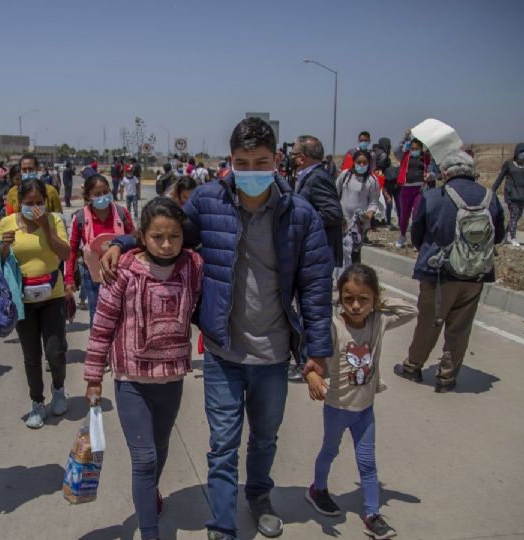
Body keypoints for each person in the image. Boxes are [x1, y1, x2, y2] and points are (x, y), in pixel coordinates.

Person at [101, 117, 334, 540]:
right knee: (223, 445)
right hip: (223, 353)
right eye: (242, 162)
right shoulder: (208, 201)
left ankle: (259, 496)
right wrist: (123, 243)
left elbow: (316, 287)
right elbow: (168, 234)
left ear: (277, 160)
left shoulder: (300, 215)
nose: (251, 171)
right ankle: (223, 523)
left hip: (274, 353)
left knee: (264, 437)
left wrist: (316, 353)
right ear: (231, 161)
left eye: (261, 161)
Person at [84, 197, 204, 540]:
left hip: (171, 379)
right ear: (142, 237)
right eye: (157, 237)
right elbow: (102, 325)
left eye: (174, 236)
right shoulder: (122, 270)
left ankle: (149, 493)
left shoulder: (193, 266)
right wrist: (93, 378)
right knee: (145, 458)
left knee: (161, 445)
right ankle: (150, 531)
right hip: (132, 381)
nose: (166, 245)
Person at [304, 264, 415, 540]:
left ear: (374, 300)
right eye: (348, 299)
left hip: (365, 410)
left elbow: (410, 311)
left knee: (368, 464)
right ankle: (317, 489)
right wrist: (311, 377)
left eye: (363, 299)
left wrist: (380, 301)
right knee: (329, 451)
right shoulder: (333, 327)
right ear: (340, 299)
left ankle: (372, 514)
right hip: (337, 408)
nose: (355, 305)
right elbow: (314, 357)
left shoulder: (378, 321)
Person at [394, 150, 505, 392]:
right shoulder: (490, 197)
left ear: (445, 172)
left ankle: (413, 366)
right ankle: (447, 377)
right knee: (460, 327)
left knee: (429, 323)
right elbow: (499, 235)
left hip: (439, 274)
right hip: (475, 275)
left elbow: (417, 235)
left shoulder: (433, 197)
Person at [0, 178, 71, 429]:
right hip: (23, 299)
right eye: (29, 203)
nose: (35, 207)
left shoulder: (55, 220)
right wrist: (4, 246)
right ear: (19, 203)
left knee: (55, 351)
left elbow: (65, 253)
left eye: (39, 202)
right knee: (31, 355)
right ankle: (37, 404)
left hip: (53, 295)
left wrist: (45, 227)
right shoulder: (6, 223)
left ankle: (59, 390)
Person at [65, 174, 135, 325]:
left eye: (105, 192)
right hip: (93, 277)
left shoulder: (122, 213)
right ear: (88, 196)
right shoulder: (80, 217)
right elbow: (71, 249)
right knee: (98, 319)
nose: (102, 197)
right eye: (97, 194)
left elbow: (134, 240)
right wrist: (69, 278)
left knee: (123, 319)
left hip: (120, 274)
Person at [292, 135, 345, 268]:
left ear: (302, 158)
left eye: (293, 155)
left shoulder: (317, 177)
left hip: (320, 253)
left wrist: (304, 222)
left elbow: (333, 213)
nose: (291, 158)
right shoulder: (310, 176)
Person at [335, 151, 381, 275]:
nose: (361, 165)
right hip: (342, 221)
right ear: (354, 163)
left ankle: (354, 278)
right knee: (341, 251)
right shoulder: (345, 176)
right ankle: (340, 279)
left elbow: (373, 202)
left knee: (354, 252)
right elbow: (335, 194)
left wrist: (368, 215)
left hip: (359, 224)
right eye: (358, 162)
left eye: (364, 162)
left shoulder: (372, 181)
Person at [492, 143, 524, 247]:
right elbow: (500, 177)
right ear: (516, 153)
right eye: (521, 152)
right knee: (514, 214)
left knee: (516, 217)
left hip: (522, 195)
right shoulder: (509, 164)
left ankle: (504, 234)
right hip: (511, 194)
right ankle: (513, 238)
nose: (523, 154)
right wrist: (493, 190)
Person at [393, 132, 434, 248]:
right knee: (404, 215)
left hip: (419, 189)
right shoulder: (405, 156)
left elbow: (432, 172)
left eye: (416, 148)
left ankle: (416, 239)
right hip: (406, 189)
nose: (414, 150)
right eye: (412, 148)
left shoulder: (426, 158)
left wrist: (429, 175)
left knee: (417, 214)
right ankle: (402, 235)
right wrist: (404, 137)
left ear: (421, 148)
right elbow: (396, 150)